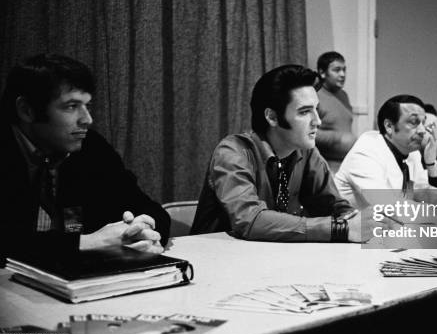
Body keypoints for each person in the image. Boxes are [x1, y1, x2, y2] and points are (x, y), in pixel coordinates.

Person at [0, 54, 169, 263]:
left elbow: (149, 209)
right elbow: (8, 242)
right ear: (26, 110)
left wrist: (141, 231)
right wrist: (88, 243)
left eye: (87, 106)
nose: (87, 119)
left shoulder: (89, 145)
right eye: (71, 106)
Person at [191, 65, 387, 242]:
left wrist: (359, 220)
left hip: (273, 262)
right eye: (304, 112)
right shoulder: (233, 152)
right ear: (273, 117)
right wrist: (340, 228)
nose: (317, 121)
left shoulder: (307, 152)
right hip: (218, 264)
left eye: (316, 110)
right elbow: (251, 220)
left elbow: (334, 206)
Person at [334, 95, 437, 210]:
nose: (422, 130)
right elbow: (389, 209)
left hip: (390, 226)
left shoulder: (411, 153)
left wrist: (431, 163)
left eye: (423, 123)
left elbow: (435, 198)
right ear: (389, 126)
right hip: (346, 225)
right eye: (414, 122)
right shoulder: (365, 152)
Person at [314, 52, 356, 172]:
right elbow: (305, 133)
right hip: (325, 167)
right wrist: (337, 138)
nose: (342, 74)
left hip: (347, 164)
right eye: (337, 70)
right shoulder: (314, 96)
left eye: (344, 70)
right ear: (322, 73)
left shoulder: (343, 96)